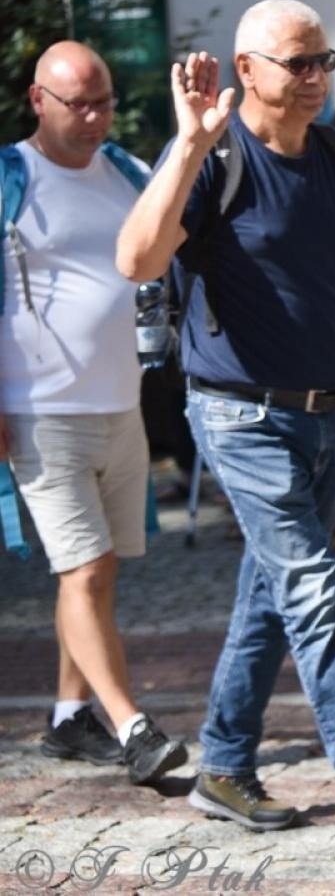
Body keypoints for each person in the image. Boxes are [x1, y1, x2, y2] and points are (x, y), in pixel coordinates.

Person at [114, 0, 335, 856]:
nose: (315, 80)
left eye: (323, 63)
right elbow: (136, 258)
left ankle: (225, 767)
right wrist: (192, 141)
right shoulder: (212, 154)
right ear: (247, 70)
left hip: (326, 410)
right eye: (296, 65)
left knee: (272, 596)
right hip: (238, 412)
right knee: (313, 589)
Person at [1, 41, 187, 785]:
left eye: (103, 101)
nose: (93, 116)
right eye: (76, 103)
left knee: (97, 577)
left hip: (120, 403)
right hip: (40, 410)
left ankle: (68, 718)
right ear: (37, 100)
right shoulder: (11, 177)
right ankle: (132, 726)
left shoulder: (126, 170)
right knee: (86, 567)